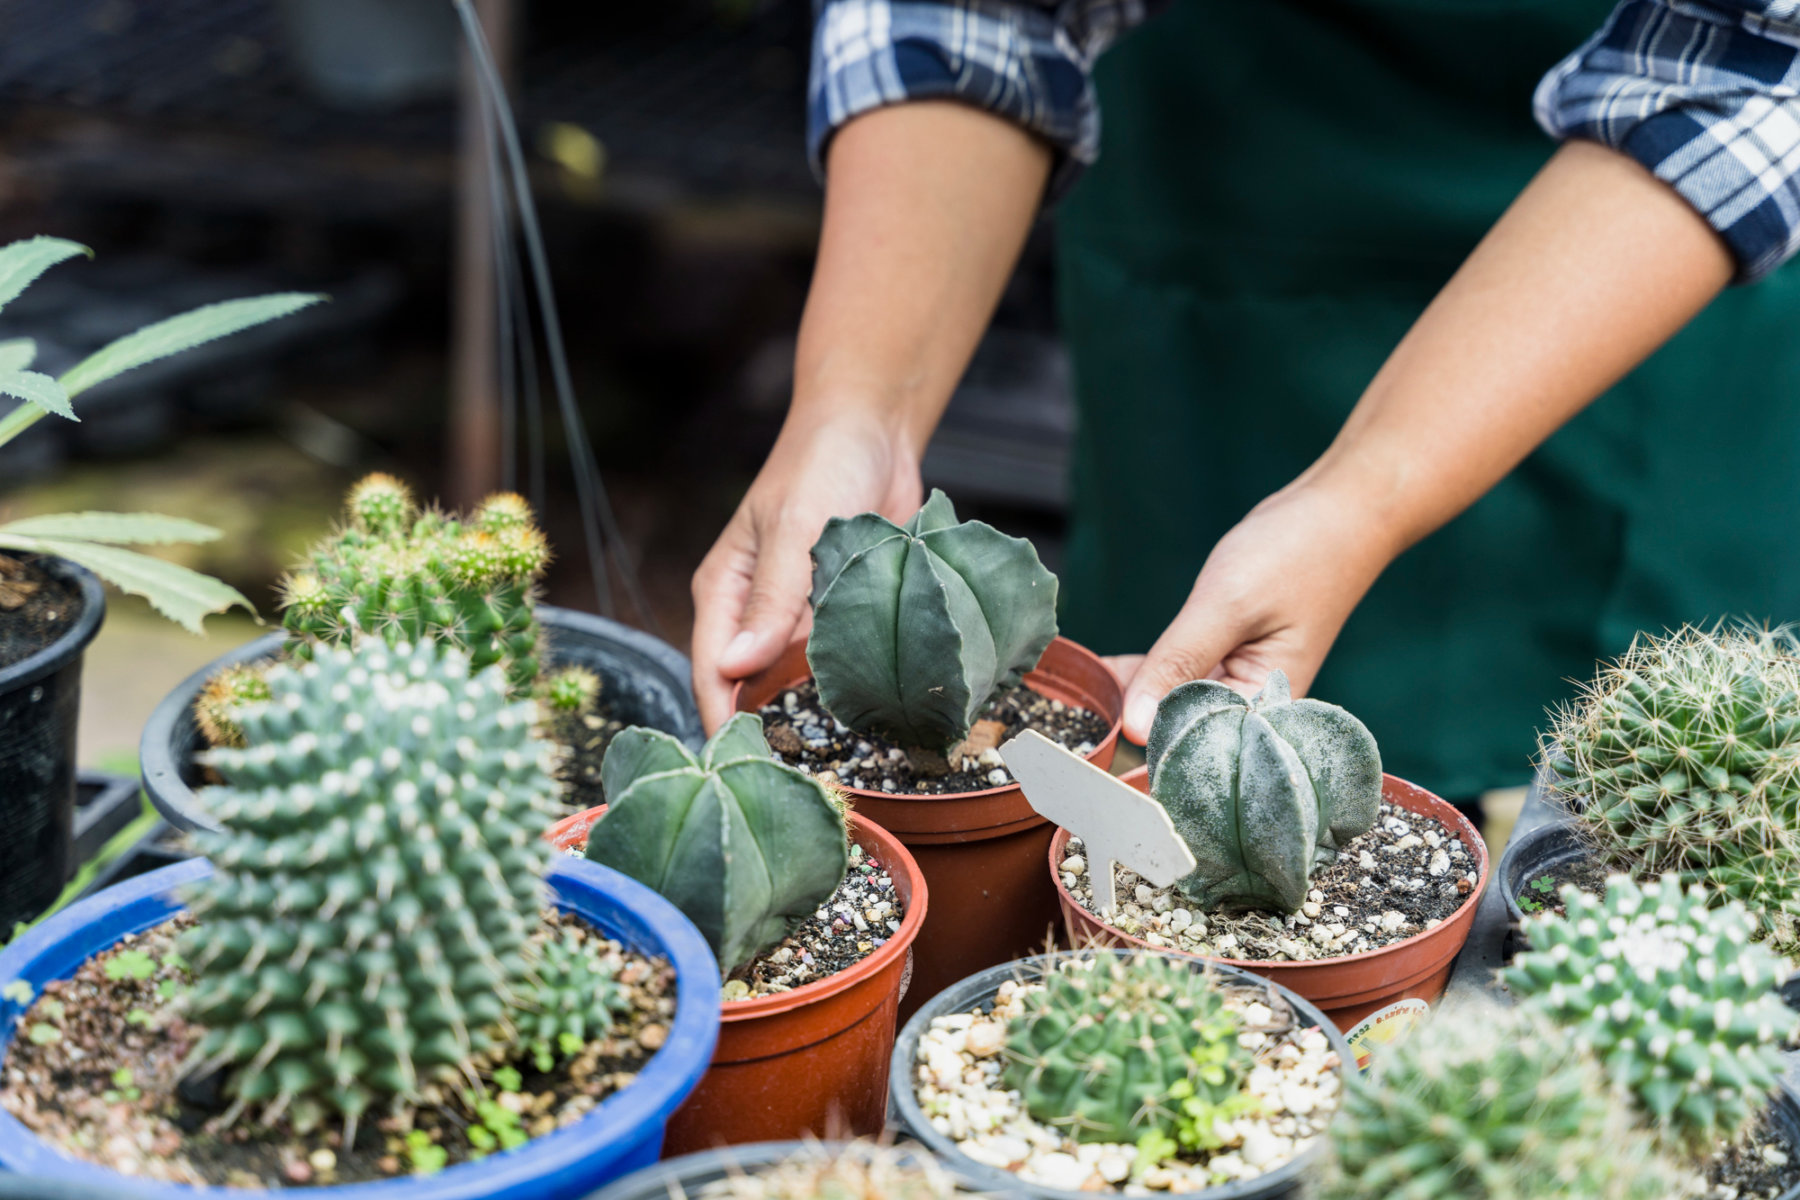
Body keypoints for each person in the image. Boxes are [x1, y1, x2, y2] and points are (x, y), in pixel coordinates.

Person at [690, 0, 1800, 809]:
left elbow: (1745, 62)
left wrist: (1361, 500)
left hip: (1634, 266)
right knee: (1178, 710)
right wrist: (858, 409)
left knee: (1647, 802)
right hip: (1229, 196)